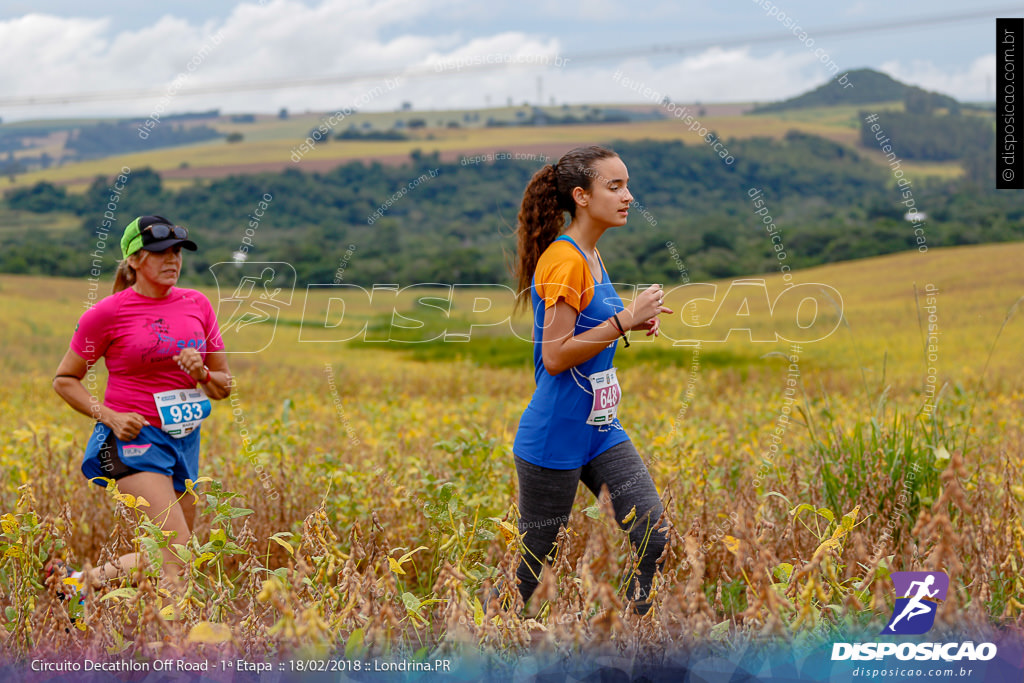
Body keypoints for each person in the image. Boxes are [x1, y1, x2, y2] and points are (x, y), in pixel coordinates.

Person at [508, 146, 671, 616]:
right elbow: (555, 357)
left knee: (652, 533)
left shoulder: (593, 255)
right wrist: (624, 319)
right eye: (615, 187)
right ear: (581, 196)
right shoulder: (565, 260)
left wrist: (634, 321)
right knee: (536, 570)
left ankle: (629, 640)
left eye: (627, 185)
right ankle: (507, 643)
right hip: (554, 435)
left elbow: (590, 330)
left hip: (599, 429)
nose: (628, 197)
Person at [51, 215, 231, 590]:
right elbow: (65, 380)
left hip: (184, 439)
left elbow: (223, 386)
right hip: (134, 440)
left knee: (166, 554)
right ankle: (172, 644)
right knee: (178, 554)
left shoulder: (198, 304)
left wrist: (201, 374)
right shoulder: (106, 314)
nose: (172, 260)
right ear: (134, 260)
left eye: (177, 252)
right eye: (160, 252)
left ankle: (76, 586)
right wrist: (111, 417)